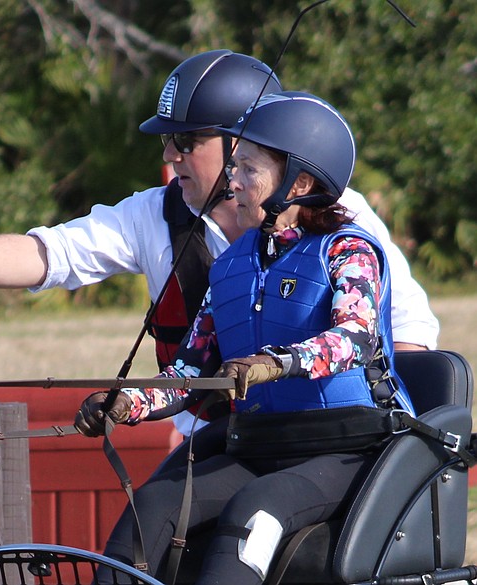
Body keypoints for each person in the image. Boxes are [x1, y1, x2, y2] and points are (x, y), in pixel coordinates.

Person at [0, 50, 439, 393]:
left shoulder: (333, 215)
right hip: (219, 438)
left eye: (186, 142)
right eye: (168, 143)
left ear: (244, 144)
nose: (170, 157)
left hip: (327, 436)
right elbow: (50, 255)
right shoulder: (154, 214)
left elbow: (405, 339)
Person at [73, 91, 416, 585]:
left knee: (256, 513)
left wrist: (278, 363)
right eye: (234, 167)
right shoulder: (232, 267)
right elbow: (189, 374)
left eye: (248, 170)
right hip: (258, 444)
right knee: (152, 504)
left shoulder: (347, 251)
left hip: (349, 447)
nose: (232, 180)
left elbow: (355, 339)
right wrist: (126, 403)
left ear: (298, 183)